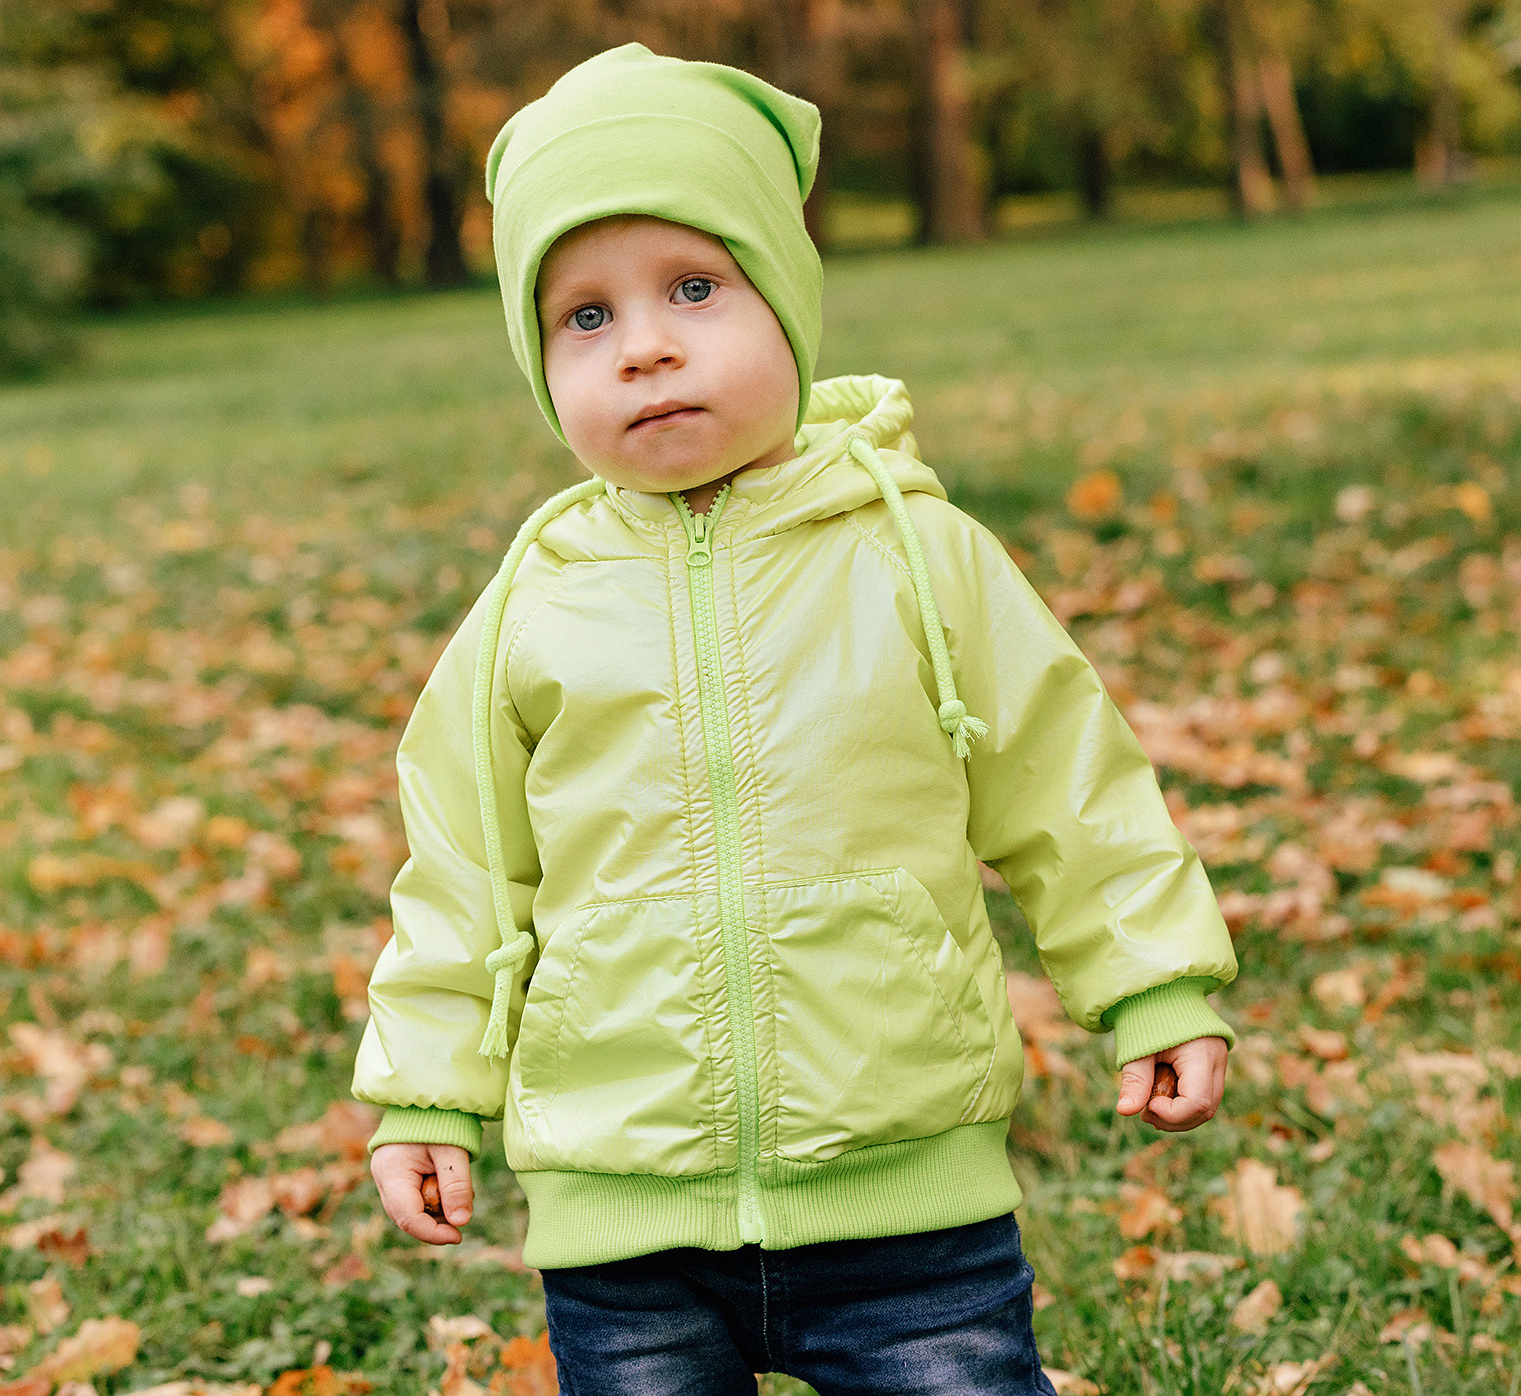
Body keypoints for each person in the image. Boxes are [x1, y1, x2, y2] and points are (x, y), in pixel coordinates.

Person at [352, 43, 1239, 1394]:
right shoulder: (533, 607)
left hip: (906, 1204)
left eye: (694, 288)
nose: (643, 342)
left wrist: (1154, 977)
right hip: (622, 1203)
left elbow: (1067, 782)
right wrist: (427, 1089)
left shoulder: (919, 555)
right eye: (583, 317)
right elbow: (463, 873)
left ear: (787, 296)